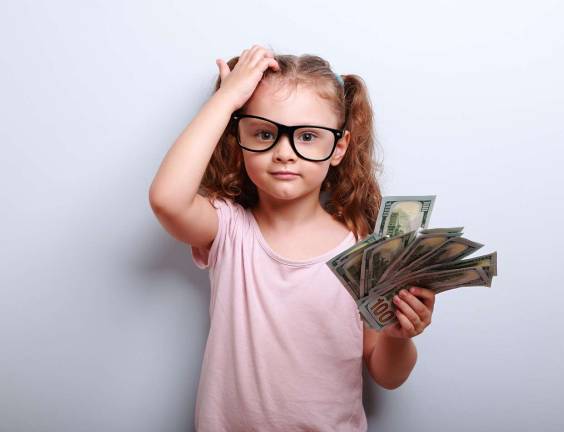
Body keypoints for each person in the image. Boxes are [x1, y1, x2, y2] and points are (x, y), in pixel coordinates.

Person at [149, 44, 436, 431]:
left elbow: (387, 375)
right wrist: (228, 97)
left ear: (339, 147)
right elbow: (167, 199)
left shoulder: (366, 250)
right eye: (265, 133)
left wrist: (399, 336)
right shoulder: (230, 228)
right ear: (238, 139)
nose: (285, 153)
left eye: (307, 137)